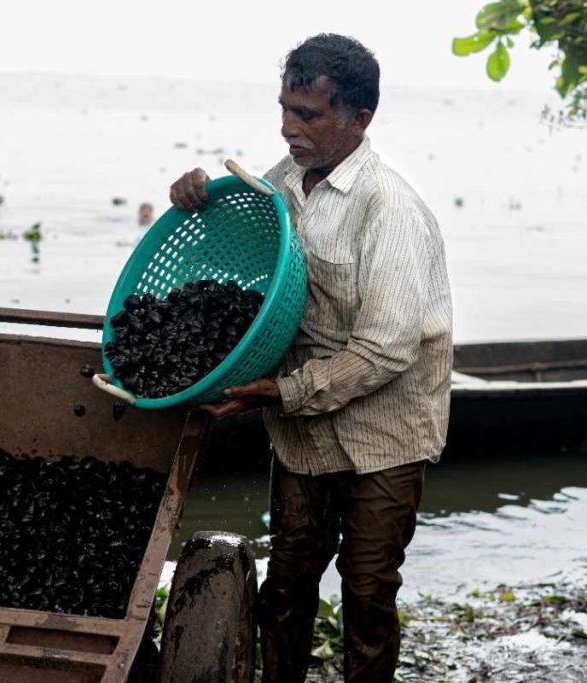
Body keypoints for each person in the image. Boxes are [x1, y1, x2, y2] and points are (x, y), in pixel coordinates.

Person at [170, 34, 452, 682]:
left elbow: (384, 349)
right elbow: (239, 253)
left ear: (360, 119)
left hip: (384, 432)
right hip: (304, 430)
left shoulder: (391, 210)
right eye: (285, 109)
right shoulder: (283, 183)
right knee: (288, 582)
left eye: (307, 115)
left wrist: (280, 392)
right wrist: (197, 201)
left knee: (368, 594)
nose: (287, 127)